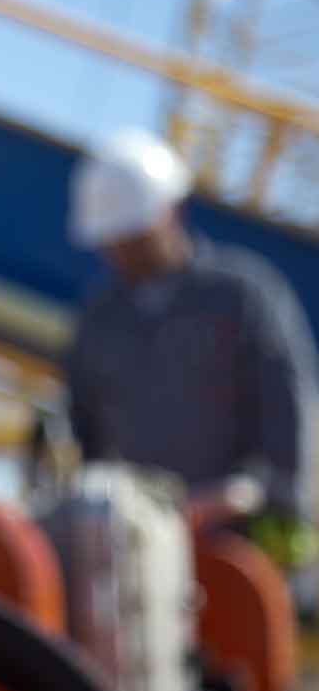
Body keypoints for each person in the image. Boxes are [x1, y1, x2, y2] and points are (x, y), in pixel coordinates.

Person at [64, 127, 319, 586]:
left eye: (135, 238)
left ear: (172, 211)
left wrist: (255, 495)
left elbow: (290, 404)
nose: (123, 254)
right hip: (142, 552)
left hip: (243, 549)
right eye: (114, 243)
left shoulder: (243, 296)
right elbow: (89, 432)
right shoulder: (101, 322)